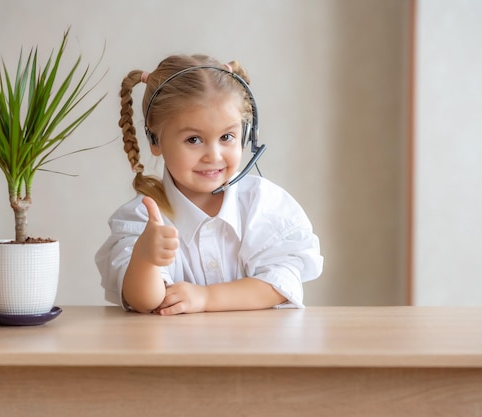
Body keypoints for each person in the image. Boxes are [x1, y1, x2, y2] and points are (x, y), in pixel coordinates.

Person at [95, 54, 323, 315]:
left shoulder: (263, 204)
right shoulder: (141, 218)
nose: (213, 156)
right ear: (155, 141)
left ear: (246, 135)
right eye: (193, 140)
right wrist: (144, 259)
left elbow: (282, 283)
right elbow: (143, 301)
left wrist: (206, 298)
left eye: (227, 137)